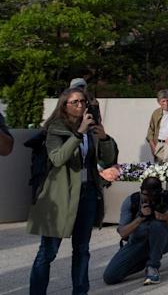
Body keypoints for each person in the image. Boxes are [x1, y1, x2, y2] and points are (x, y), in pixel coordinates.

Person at [28, 87, 119, 295]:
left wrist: (104, 138)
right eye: (75, 102)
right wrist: (79, 134)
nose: (81, 106)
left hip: (86, 195)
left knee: (82, 250)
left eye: (83, 102)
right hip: (59, 198)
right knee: (48, 252)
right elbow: (58, 158)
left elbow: (108, 159)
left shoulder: (91, 128)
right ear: (64, 106)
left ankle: (80, 291)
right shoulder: (55, 129)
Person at [102, 176, 168, 285]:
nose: (150, 199)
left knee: (156, 225)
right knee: (110, 277)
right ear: (141, 191)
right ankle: (145, 260)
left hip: (162, 241)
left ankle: (153, 267)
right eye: (146, 195)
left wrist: (167, 218)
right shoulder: (132, 201)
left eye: (154, 196)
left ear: (160, 192)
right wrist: (140, 218)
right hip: (137, 243)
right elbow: (123, 232)